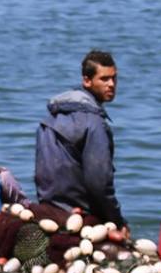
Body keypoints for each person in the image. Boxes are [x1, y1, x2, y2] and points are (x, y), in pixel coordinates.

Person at [35, 49, 127, 238]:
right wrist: (117, 220)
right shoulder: (94, 123)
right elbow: (99, 184)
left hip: (48, 208)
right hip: (79, 213)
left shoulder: (50, 119)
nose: (111, 84)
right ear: (87, 81)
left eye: (114, 78)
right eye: (104, 79)